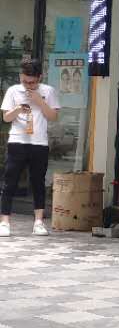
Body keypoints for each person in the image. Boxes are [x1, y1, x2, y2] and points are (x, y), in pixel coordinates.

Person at [1, 58, 60, 237]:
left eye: (32, 82)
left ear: (39, 77)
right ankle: (4, 222)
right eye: (25, 81)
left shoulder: (48, 91)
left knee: (38, 182)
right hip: (17, 141)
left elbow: (53, 116)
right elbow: (6, 118)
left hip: (39, 142)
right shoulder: (13, 90)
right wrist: (19, 109)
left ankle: (39, 222)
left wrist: (39, 101)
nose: (28, 85)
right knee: (10, 181)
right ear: (21, 76)